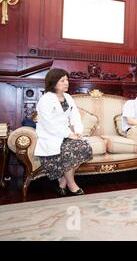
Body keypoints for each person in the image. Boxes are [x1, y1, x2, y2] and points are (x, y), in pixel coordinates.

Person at [35, 68, 93, 196]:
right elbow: (49, 123)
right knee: (69, 151)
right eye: (62, 80)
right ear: (53, 82)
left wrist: (78, 132)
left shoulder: (68, 97)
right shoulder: (46, 99)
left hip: (65, 133)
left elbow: (75, 117)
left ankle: (62, 181)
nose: (66, 83)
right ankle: (72, 184)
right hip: (50, 135)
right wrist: (68, 134)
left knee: (84, 147)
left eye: (67, 80)